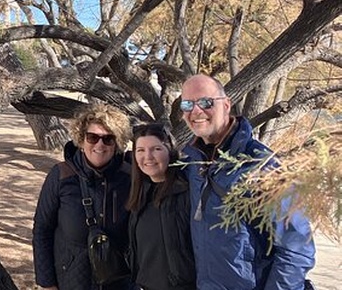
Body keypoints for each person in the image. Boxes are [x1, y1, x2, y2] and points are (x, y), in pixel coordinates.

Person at [180, 74, 316, 290]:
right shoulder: (193, 163)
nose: (196, 111)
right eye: (187, 104)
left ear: (226, 105)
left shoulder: (261, 165)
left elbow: (297, 248)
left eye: (205, 102)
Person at [33, 104, 132, 290]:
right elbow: (42, 230)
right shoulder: (61, 175)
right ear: (81, 139)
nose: (99, 145)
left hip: (120, 282)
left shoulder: (130, 178)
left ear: (117, 143)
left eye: (108, 139)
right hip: (71, 280)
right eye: (92, 137)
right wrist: (47, 283)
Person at [126, 123, 196, 290]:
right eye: (140, 150)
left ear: (170, 151)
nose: (148, 156)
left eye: (156, 149)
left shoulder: (187, 192)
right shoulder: (141, 193)